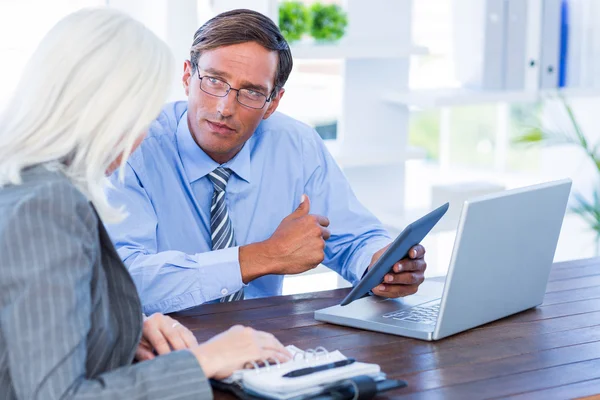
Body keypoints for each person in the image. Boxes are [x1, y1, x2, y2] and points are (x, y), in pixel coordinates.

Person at [0, 8, 290, 399]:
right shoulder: (48, 205)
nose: (146, 131)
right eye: (146, 111)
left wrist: (124, 328)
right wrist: (204, 360)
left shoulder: (26, 183)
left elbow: (24, 320)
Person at [107, 9, 427, 315]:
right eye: (214, 81)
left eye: (251, 92)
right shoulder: (134, 147)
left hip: (264, 341)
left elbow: (354, 239)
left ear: (273, 102)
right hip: (162, 345)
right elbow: (125, 280)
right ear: (188, 76)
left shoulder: (295, 145)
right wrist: (262, 257)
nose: (224, 108)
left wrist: (384, 265)